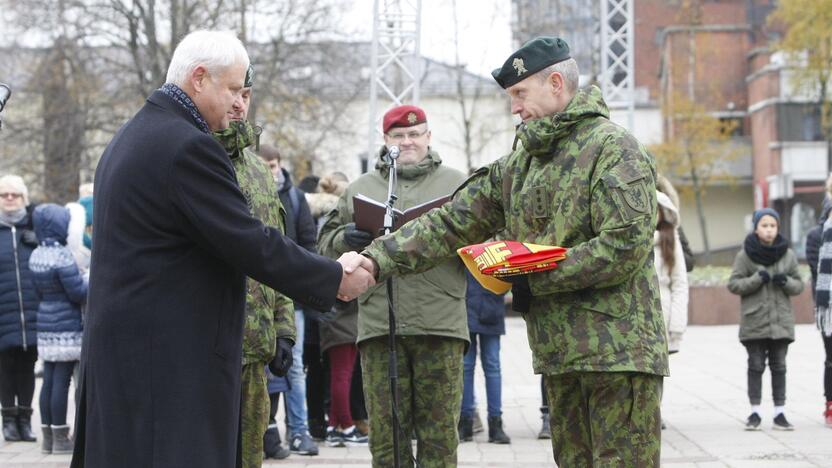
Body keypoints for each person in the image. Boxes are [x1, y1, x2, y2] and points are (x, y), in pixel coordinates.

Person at [69, 30, 374, 468]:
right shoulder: (187, 147)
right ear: (198, 78)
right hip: (169, 373)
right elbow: (251, 242)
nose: (240, 103)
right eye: (233, 89)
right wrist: (334, 278)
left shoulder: (130, 137)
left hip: (129, 365)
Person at [360, 37, 668, 466]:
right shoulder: (522, 164)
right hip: (562, 354)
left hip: (617, 357)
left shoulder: (614, 149)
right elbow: (452, 220)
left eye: (520, 94)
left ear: (556, 83)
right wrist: (375, 260)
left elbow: (622, 248)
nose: (515, 108)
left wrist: (528, 273)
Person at [319, 104, 468, 466]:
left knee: (440, 439)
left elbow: (484, 236)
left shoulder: (457, 183)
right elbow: (323, 243)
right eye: (399, 136)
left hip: (440, 323)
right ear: (386, 141)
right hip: (379, 327)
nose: (408, 141)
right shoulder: (362, 188)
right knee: (388, 441)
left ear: (429, 137)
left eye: (415, 134)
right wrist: (345, 239)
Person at [211, 65, 296, 466]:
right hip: (204, 349)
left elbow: (276, 253)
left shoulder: (259, 171)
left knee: (248, 458)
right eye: (231, 92)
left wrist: (284, 330)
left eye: (245, 94)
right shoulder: (190, 156)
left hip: (256, 347)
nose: (239, 103)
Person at [259, 144, 321, 456]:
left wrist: (305, 285)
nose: (270, 172)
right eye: (264, 166)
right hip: (257, 298)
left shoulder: (295, 199)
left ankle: (299, 431)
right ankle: (264, 433)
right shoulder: (246, 191)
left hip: (290, 300)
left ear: (279, 166)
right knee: (260, 366)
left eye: (273, 165)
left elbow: (309, 243)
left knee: (293, 367)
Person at [727, 208, 804, 431]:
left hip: (781, 322)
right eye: (764, 225)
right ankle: (755, 411)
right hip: (755, 322)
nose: (769, 230)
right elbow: (734, 284)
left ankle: (780, 412)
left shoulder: (787, 255)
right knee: (756, 365)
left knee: (780, 366)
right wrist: (756, 279)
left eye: (773, 226)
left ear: (778, 228)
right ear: (756, 227)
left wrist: (785, 282)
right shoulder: (745, 255)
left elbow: (799, 285)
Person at [29, 204, 87, 454]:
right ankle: (62, 437)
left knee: (50, 381)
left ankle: (48, 437)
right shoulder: (62, 255)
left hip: (45, 323)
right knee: (62, 382)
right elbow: (77, 293)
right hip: (66, 327)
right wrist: (90, 279)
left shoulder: (36, 254)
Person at [0, 174, 39, 443]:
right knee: (5, 368)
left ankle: (25, 421)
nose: (10, 199)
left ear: (24, 198)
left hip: (31, 312)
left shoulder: (35, 229)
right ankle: (8, 421)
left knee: (27, 367)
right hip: (4, 312)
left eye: (15, 195)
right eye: (4, 195)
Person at [458, 271, 510, 444]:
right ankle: (466, 422)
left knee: (492, 367)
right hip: (466, 307)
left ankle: (495, 423)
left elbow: (506, 280)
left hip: (490, 307)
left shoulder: (497, 244)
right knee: (467, 366)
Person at [806, 174, 832, 427]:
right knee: (831, 357)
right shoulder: (818, 235)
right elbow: (817, 271)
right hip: (829, 307)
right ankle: (830, 404)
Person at [654, 191, 688, 355]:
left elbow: (679, 282)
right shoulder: (628, 240)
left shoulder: (670, 239)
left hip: (663, 311)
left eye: (655, 209)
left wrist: (676, 326)